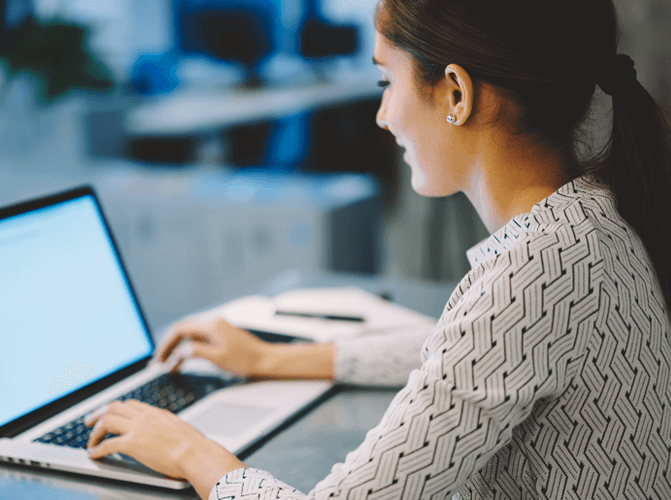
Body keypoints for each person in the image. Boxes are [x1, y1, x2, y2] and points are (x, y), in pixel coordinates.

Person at [85, 0, 671, 498]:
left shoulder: (531, 273)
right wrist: (273, 359)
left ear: (456, 93)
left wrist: (192, 454)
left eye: (386, 82)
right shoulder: (592, 215)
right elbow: (461, 350)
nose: (383, 116)